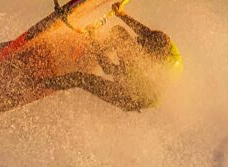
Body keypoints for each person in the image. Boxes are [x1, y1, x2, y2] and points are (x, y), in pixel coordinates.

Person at [43, 7, 181, 112]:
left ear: (149, 56)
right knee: (119, 33)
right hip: (145, 85)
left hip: (129, 97)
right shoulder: (169, 49)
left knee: (80, 79)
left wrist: (92, 38)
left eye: (142, 45)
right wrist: (122, 14)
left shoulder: (141, 68)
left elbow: (107, 68)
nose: (138, 41)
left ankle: (41, 83)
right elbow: (146, 32)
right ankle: (95, 50)